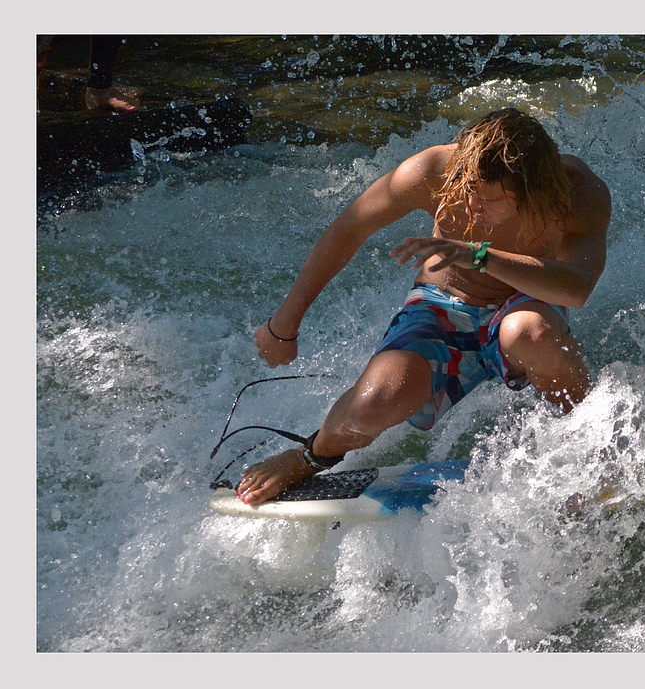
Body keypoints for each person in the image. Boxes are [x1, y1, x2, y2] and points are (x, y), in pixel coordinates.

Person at [236, 108, 612, 507]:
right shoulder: (434, 171)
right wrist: (284, 323)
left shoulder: (576, 193)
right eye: (467, 186)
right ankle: (310, 455)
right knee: (376, 401)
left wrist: (479, 255)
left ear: (533, 191)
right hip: (442, 304)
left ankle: (591, 443)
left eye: (488, 199)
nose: (470, 206)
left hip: (524, 304)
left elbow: (576, 288)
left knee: (530, 332)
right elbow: (350, 227)